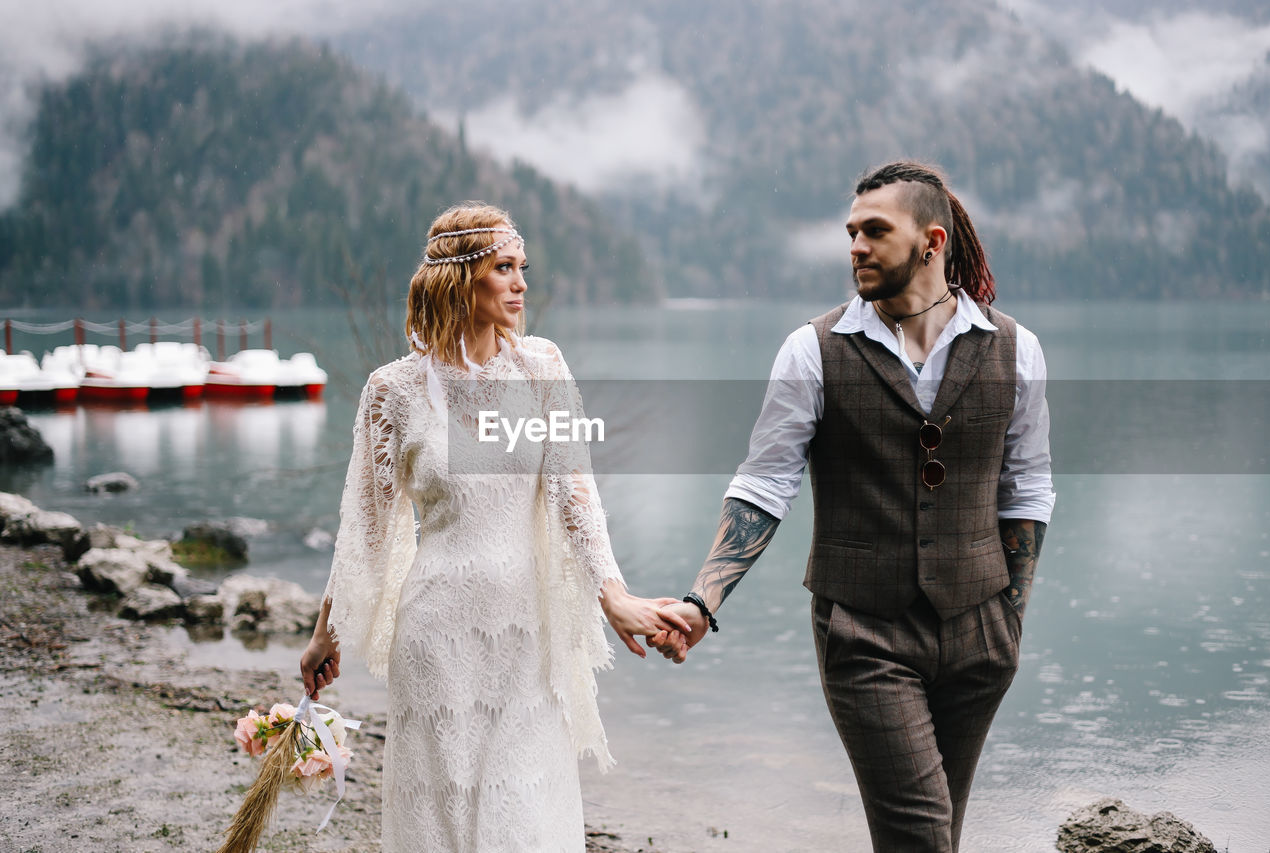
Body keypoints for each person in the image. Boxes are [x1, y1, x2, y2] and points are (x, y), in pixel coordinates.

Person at [652, 161, 1055, 852]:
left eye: (875, 231)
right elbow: (764, 482)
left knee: (936, 835)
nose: (855, 247)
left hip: (980, 636)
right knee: (920, 838)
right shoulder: (812, 350)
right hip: (864, 633)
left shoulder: (1016, 349)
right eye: (851, 232)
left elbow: (1026, 487)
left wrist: (1009, 620)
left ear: (931, 241)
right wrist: (702, 600)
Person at [300, 201, 688, 852]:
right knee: (442, 824)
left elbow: (575, 495)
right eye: (503, 268)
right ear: (460, 280)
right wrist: (324, 634)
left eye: (522, 268)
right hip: (435, 641)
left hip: (525, 639)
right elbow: (364, 531)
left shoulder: (540, 368)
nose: (521, 283)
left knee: (524, 822)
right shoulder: (392, 390)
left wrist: (613, 593)